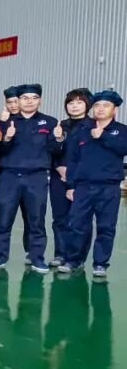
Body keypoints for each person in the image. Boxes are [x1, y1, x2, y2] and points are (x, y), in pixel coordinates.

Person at [0, 84, 62, 273]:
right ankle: (0, 257)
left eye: (34, 97)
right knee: (3, 220)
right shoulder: (6, 122)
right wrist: (7, 138)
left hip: (36, 177)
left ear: (40, 100)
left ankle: (37, 257)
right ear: (18, 101)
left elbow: (55, 151)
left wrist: (58, 139)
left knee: (36, 221)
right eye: (25, 98)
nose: (29, 101)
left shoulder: (50, 123)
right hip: (9, 177)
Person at [62, 90, 127, 277]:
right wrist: (71, 186)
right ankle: (74, 260)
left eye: (105, 106)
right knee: (76, 225)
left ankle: (100, 264)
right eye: (97, 105)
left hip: (109, 187)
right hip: (83, 187)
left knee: (106, 227)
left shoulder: (122, 131)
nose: (100, 109)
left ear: (114, 110)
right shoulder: (82, 131)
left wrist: (103, 136)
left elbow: (124, 148)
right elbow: (73, 160)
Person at [49, 88, 92, 266]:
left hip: (82, 180)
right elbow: (49, 151)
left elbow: (92, 155)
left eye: (79, 102)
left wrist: (74, 173)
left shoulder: (93, 126)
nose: (74, 106)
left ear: (87, 105)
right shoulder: (60, 126)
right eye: (71, 103)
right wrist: (59, 168)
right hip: (59, 177)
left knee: (81, 220)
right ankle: (60, 254)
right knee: (60, 218)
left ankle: (77, 257)